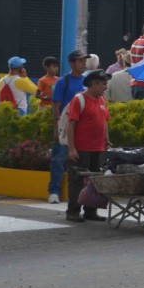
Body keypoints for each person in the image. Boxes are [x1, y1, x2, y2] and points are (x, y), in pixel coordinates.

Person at [65, 70, 111, 223]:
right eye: (103, 84)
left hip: (98, 149)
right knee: (78, 181)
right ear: (94, 84)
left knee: (94, 181)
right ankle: (73, 211)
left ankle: (90, 211)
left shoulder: (103, 100)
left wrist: (106, 140)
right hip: (81, 149)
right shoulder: (79, 100)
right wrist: (72, 148)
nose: (105, 87)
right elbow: (70, 125)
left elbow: (104, 121)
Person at [48, 51, 88, 204]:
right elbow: (56, 107)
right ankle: (54, 192)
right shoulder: (62, 82)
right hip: (64, 127)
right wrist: (57, 129)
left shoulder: (86, 83)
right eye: (80, 61)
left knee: (79, 163)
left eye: (85, 61)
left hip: (81, 129)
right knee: (58, 160)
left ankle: (78, 197)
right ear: (71, 63)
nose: (83, 64)